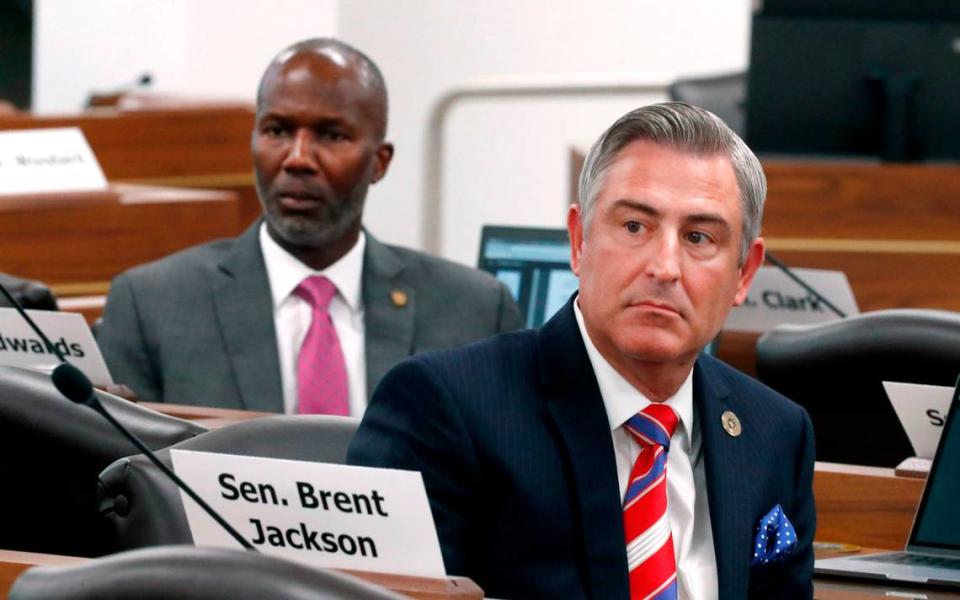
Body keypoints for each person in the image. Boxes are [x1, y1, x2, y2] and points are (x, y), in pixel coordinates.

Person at [348, 102, 815, 599]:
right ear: (579, 241)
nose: (664, 266)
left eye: (698, 237)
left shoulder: (775, 433)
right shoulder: (443, 407)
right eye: (635, 227)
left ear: (744, 273)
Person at [97, 38, 522, 414]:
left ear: (379, 162)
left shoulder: (476, 313)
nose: (297, 157)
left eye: (331, 135)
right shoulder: (152, 306)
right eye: (278, 130)